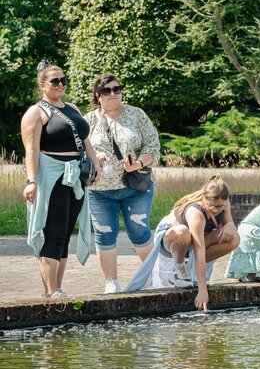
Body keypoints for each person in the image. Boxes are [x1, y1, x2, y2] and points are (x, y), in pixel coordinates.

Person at [21, 60, 100, 298]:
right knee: (53, 233)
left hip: (76, 175)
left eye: (63, 80)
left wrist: (95, 166)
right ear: (42, 84)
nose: (60, 84)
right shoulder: (36, 112)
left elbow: (86, 142)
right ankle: (51, 291)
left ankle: (58, 289)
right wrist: (31, 181)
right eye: (55, 81)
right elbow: (32, 150)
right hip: (52, 175)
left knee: (65, 235)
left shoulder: (73, 108)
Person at [84, 73, 161, 294]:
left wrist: (137, 163)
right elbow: (79, 150)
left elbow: (153, 147)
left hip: (135, 187)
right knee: (104, 233)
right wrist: (94, 158)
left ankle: (154, 277)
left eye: (117, 89)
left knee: (140, 232)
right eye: (107, 91)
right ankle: (111, 282)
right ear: (98, 95)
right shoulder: (88, 120)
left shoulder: (137, 115)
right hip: (100, 189)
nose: (113, 94)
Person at [125, 174, 240, 311]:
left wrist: (229, 226)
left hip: (195, 241)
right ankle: (180, 269)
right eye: (211, 206)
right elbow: (199, 251)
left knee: (234, 239)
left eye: (219, 207)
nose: (215, 210)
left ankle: (191, 270)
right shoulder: (195, 213)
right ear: (204, 198)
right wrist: (203, 291)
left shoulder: (224, 203)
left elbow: (231, 225)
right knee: (183, 233)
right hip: (172, 240)